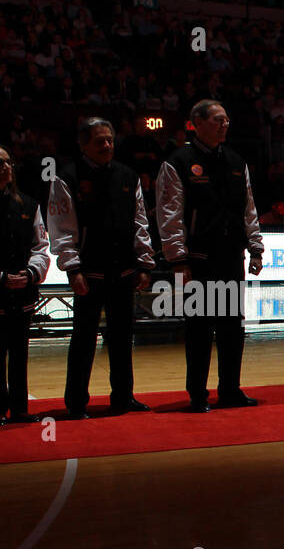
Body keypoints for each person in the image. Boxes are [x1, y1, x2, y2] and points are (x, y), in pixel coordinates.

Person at [156, 99, 264, 412]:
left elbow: (249, 209)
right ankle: (198, 395)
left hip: (231, 257)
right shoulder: (178, 161)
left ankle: (230, 390)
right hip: (197, 260)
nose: (225, 124)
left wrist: (255, 247)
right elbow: (170, 215)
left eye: (227, 119)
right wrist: (177, 259)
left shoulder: (235, 160)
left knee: (232, 328)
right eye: (218, 120)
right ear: (197, 123)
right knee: (200, 329)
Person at [48, 117, 155, 418]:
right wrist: (72, 269)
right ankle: (76, 402)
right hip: (88, 273)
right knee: (83, 339)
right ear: (83, 144)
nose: (107, 145)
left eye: (109, 139)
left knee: (123, 338)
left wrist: (144, 262)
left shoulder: (128, 176)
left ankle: (123, 396)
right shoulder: (66, 178)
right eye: (99, 141)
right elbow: (61, 228)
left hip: (124, 270)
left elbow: (140, 224)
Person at [0, 145, 51, 425]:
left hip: (23, 292)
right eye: (0, 163)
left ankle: (20, 409)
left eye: (8, 162)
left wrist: (31, 273)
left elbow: (41, 246)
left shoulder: (29, 205)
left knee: (20, 354)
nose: (6, 167)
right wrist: (2, 278)